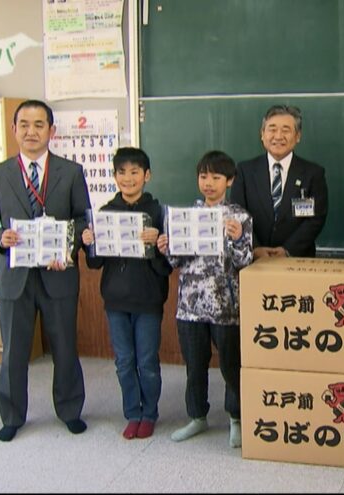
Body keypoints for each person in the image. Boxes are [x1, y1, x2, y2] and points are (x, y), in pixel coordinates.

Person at [0, 99, 91, 442]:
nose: (31, 131)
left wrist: (67, 248)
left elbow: (83, 218)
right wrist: (0, 237)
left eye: (39, 124)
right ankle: (12, 415)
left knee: (65, 346)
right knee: (14, 350)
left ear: (51, 131)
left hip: (58, 274)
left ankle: (70, 410)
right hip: (15, 276)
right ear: (14, 130)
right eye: (24, 124)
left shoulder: (71, 172)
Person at [157, 150, 253, 448]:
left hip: (228, 307)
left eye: (216, 177)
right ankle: (197, 417)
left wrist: (237, 239)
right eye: (203, 176)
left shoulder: (239, 216)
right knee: (194, 365)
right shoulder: (185, 215)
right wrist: (165, 246)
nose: (209, 183)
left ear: (230, 180)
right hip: (190, 307)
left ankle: (236, 419)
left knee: (231, 366)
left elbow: (245, 260)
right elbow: (175, 260)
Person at [80, 147, 172, 440]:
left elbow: (168, 266)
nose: (128, 178)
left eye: (135, 172)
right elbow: (95, 263)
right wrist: (89, 242)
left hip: (148, 300)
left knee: (146, 361)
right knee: (123, 362)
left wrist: (158, 243)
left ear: (147, 175)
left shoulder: (160, 212)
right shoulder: (106, 213)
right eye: (122, 172)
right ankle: (132, 412)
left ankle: (150, 413)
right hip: (115, 300)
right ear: (115, 176)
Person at [230, 105, 327, 259]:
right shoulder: (244, 171)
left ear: (298, 136)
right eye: (272, 129)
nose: (278, 136)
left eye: (286, 130)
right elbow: (237, 213)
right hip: (254, 259)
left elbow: (315, 219)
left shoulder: (313, 173)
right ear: (262, 134)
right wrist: (255, 248)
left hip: (298, 260)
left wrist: (288, 250)